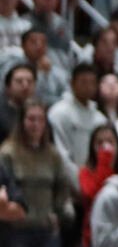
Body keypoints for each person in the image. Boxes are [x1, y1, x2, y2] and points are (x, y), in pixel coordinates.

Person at [1, 100, 73, 247]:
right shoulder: (7, 152)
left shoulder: (52, 154)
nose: (36, 124)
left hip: (46, 227)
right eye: (31, 119)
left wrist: (57, 212)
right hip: (16, 229)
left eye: (40, 119)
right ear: (22, 121)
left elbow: (63, 185)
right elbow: (6, 186)